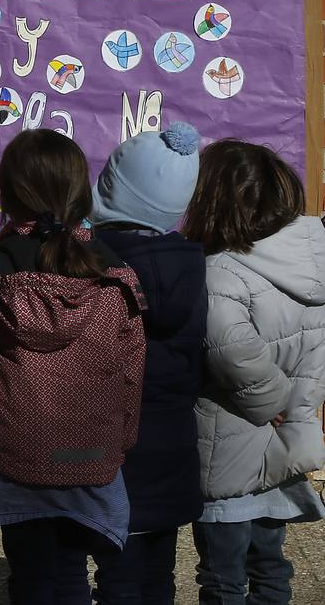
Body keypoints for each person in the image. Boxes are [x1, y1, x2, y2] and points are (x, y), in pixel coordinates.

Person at [0, 129, 147, 605]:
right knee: (69, 569)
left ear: (7, 196)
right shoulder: (117, 280)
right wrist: (118, 445)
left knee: (30, 576)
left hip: (19, 462)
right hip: (92, 460)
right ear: (83, 193)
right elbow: (132, 375)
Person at [181, 140, 325, 604]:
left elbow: (230, 352)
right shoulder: (314, 267)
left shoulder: (219, 272)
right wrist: (299, 410)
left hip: (228, 453)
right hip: (285, 452)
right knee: (271, 568)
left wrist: (275, 406)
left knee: (223, 576)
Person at [89, 122, 207, 604]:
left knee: (116, 571)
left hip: (113, 446)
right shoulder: (194, 266)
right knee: (160, 571)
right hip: (174, 442)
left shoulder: (93, 264)